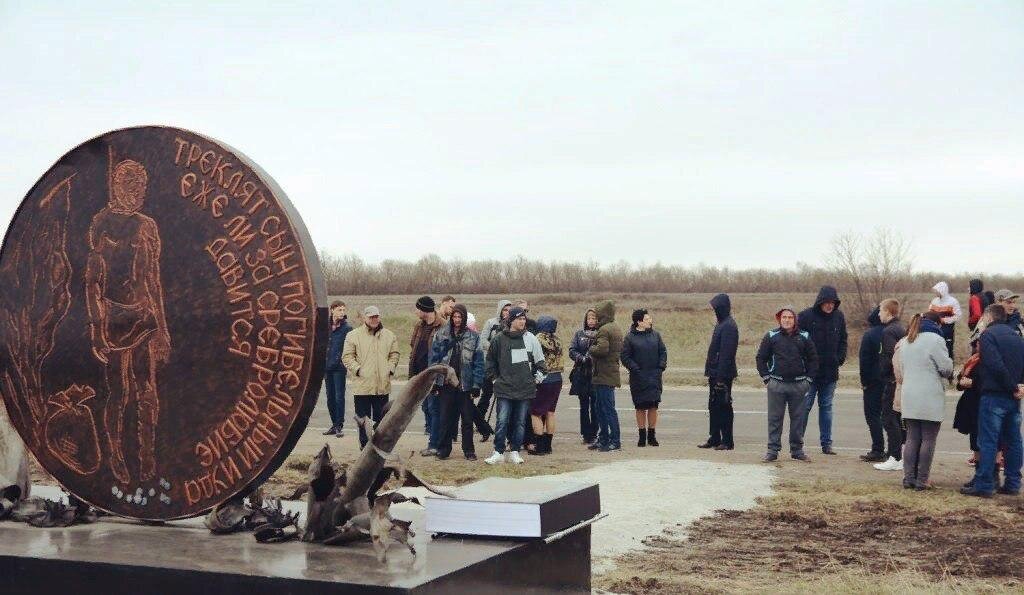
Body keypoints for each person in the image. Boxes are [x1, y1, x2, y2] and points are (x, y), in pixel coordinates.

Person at [961, 304, 1024, 498]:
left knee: (988, 441)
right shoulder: (1016, 336)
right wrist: (1019, 385)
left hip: (994, 395)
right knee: (1013, 441)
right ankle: (1013, 483)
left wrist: (1012, 386)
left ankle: (985, 484)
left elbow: (994, 364)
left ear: (989, 317)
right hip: (1013, 398)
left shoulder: (988, 336)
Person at [897, 313, 955, 490]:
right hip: (929, 394)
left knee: (912, 437)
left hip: (909, 394)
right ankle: (922, 479)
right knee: (928, 439)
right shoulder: (936, 340)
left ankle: (909, 478)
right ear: (937, 323)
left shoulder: (906, 340)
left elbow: (902, 369)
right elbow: (946, 368)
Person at [755, 306, 818, 462]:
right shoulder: (771, 336)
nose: (787, 320)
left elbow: (813, 359)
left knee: (798, 419)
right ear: (779, 319)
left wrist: (808, 380)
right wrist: (766, 378)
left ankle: (797, 450)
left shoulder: (804, 336)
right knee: (775, 419)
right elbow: (761, 358)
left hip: (799, 385)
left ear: (794, 320)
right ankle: (772, 451)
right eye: (784, 317)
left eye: (790, 317)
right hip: (776, 384)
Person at [484, 307, 545, 465]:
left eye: (524, 319)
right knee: (502, 421)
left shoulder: (531, 338)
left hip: (524, 389)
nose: (522, 321)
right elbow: (490, 362)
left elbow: (541, 364)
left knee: (520, 422)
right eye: (519, 318)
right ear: (510, 320)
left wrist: (535, 380)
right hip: (504, 389)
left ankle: (515, 451)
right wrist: (494, 380)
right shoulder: (498, 339)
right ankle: (498, 452)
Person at [428, 304, 484, 460]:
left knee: (467, 420)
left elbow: (479, 362)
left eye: (460, 317)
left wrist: (476, 385)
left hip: (465, 385)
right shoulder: (442, 334)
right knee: (445, 418)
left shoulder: (474, 337)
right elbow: (435, 361)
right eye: (454, 317)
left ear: (464, 318)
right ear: (451, 318)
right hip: (446, 384)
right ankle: (444, 449)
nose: (457, 320)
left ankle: (469, 450)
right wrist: (434, 383)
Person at [797, 286, 848, 455]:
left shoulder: (839, 317)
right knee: (805, 407)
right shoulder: (805, 316)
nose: (830, 306)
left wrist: (839, 358)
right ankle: (797, 443)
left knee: (826, 407)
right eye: (827, 302)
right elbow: (797, 341)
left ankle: (826, 444)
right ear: (820, 301)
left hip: (830, 372)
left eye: (832, 303)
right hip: (809, 373)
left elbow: (843, 339)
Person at [341, 306, 400, 449]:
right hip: (362, 386)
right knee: (363, 419)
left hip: (382, 386)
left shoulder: (389, 335)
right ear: (365, 318)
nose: (374, 319)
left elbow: (395, 354)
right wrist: (359, 370)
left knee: (382, 420)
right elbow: (347, 357)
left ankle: (379, 447)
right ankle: (365, 446)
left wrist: (389, 369)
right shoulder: (353, 335)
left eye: (376, 317)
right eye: (371, 317)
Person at [621, 309, 667, 447]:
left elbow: (663, 352)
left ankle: (652, 436)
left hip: (654, 376)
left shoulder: (656, 335)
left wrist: (660, 367)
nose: (650, 321)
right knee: (640, 407)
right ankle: (641, 436)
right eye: (647, 319)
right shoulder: (630, 338)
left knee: (653, 406)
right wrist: (635, 369)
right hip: (638, 377)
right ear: (639, 322)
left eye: (649, 318)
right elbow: (625, 357)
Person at [701, 294, 738, 451]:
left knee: (724, 407)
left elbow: (727, 354)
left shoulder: (729, 326)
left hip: (723, 374)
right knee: (713, 406)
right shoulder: (721, 323)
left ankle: (727, 441)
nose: (714, 311)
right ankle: (715, 437)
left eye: (716, 308)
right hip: (715, 372)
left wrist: (721, 378)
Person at [874, 299, 907, 471]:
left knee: (888, 418)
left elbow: (890, 357)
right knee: (898, 419)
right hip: (900, 381)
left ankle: (895, 456)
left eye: (880, 310)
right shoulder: (901, 328)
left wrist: (886, 374)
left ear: (888, 312)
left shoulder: (888, 331)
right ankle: (900, 455)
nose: (879, 313)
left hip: (892, 381)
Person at [588, 300, 624, 452]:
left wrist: (590, 348)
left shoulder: (604, 330)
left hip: (604, 374)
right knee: (602, 408)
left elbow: (602, 350)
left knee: (606, 409)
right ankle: (604, 438)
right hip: (609, 373)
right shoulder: (615, 327)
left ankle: (613, 440)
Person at [410, 296, 445, 451]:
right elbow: (413, 347)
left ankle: (434, 444)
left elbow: (445, 353)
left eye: (418, 308)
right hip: (419, 376)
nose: (416, 311)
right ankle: (433, 438)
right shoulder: (419, 325)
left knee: (434, 409)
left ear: (424, 310)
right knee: (426, 408)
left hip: (433, 376)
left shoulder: (442, 326)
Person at [476, 300, 512, 440]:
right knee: (485, 397)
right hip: (490, 366)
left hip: (505, 368)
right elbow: (482, 340)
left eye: (509, 310)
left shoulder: (511, 325)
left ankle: (503, 431)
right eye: (505, 309)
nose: (507, 312)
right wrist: (494, 347)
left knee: (503, 401)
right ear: (500, 310)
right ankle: (482, 427)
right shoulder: (491, 323)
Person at [528, 315, 563, 456]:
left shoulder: (537, 339)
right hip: (557, 378)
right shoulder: (558, 340)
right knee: (550, 412)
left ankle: (539, 446)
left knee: (535, 413)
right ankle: (548, 445)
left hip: (544, 379)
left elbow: (533, 359)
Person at [858, 307, 886, 462]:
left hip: (874, 382)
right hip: (891, 380)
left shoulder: (869, 335)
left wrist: (864, 382)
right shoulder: (896, 331)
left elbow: (865, 361)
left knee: (873, 415)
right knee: (890, 416)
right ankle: (895, 450)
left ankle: (878, 449)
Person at [569, 308, 600, 445]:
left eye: (594, 318)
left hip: (595, 373)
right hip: (581, 373)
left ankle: (594, 433)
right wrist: (580, 358)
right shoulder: (579, 334)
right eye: (589, 318)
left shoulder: (601, 334)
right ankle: (585, 433)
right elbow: (572, 350)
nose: (591, 321)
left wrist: (592, 359)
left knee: (595, 405)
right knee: (583, 405)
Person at [323, 300, 353, 437]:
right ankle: (333, 424)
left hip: (339, 368)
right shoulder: (326, 326)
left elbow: (349, 348)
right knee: (330, 397)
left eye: (343, 310)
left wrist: (341, 360)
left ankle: (339, 425)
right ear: (332, 310)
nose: (342, 312)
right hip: (326, 366)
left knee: (339, 396)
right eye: (339, 310)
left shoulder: (347, 328)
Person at [929, 281, 962, 359]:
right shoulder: (934, 301)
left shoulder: (953, 301)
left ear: (942, 291)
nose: (936, 293)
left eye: (937, 291)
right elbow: (929, 314)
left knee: (948, 350)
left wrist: (944, 320)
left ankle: (950, 369)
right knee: (936, 350)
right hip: (935, 330)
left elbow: (958, 316)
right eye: (935, 291)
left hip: (947, 330)